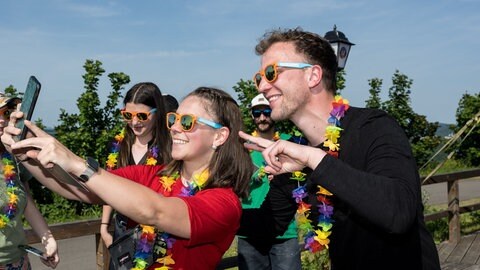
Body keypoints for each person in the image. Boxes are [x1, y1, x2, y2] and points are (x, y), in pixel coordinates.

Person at [238, 28, 441, 270]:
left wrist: (315, 159)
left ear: (313, 76)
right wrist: (202, 198)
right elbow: (265, 226)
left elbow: (397, 213)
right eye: (259, 77)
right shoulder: (296, 153)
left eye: (271, 73)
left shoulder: (373, 127)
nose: (262, 86)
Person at [3, 87, 253, 270]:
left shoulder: (224, 202)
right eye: (174, 118)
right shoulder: (156, 174)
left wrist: (76, 162)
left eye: (187, 122)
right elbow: (81, 189)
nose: (175, 127)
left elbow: (156, 212)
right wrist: (29, 156)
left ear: (219, 136)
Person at [99, 82, 172, 269]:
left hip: (156, 235)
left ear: (158, 113)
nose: (134, 122)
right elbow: (107, 186)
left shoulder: (170, 150)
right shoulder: (118, 147)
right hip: (122, 231)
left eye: (141, 115)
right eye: (127, 115)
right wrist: (104, 226)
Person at [237, 93, 301, 270]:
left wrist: (284, 176)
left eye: (267, 111)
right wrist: (257, 175)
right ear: (252, 115)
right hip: (250, 231)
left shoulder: (289, 143)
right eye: (257, 113)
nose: (262, 117)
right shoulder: (242, 147)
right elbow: (233, 181)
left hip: (284, 232)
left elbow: (303, 179)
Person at [0, 93, 59, 269]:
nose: (2, 120)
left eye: (5, 113)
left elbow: (25, 200)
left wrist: (48, 240)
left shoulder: (13, 157)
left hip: (18, 261)